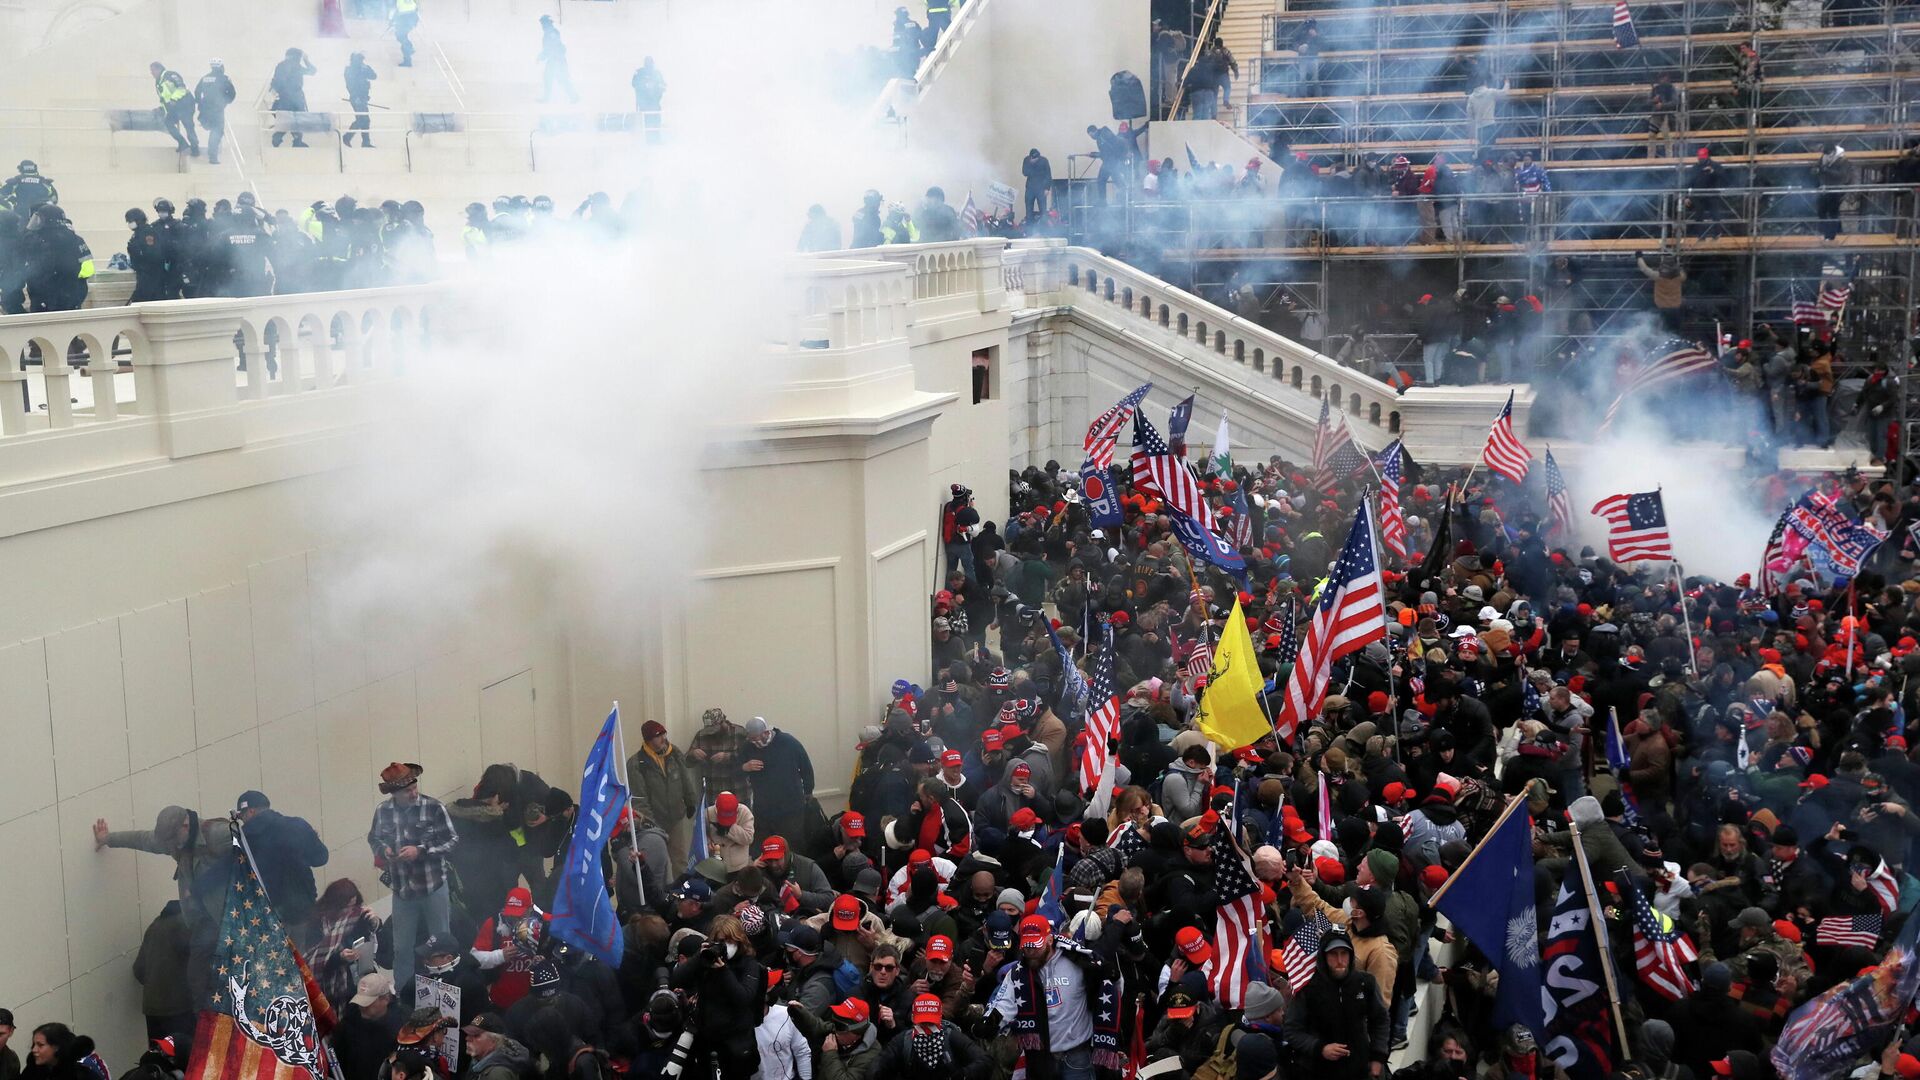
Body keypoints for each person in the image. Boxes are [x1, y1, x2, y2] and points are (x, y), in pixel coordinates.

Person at [367, 761, 459, 996]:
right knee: (402, 948)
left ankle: (446, 988)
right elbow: (374, 839)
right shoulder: (382, 811)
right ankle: (405, 994)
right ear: (394, 793)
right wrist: (384, 851)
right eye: (407, 791)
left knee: (441, 942)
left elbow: (452, 841)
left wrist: (421, 850)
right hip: (403, 892)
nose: (413, 792)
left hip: (433, 887)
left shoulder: (433, 807)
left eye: (414, 787)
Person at [234, 790, 329, 925]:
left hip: (268, 914)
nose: (241, 820)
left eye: (241, 816)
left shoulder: (243, 842)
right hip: (303, 906)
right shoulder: (297, 825)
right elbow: (321, 858)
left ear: (251, 812)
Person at [740, 715, 815, 842]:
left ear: (765, 733)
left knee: (793, 845)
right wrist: (744, 767)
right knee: (765, 845)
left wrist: (808, 791)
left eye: (755, 738)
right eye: (750, 739)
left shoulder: (788, 742)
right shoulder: (747, 747)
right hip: (763, 809)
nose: (753, 742)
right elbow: (734, 769)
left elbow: (806, 768)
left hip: (791, 808)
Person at [132, 900, 193, 1049]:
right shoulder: (184, 926)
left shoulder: (154, 926)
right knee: (183, 1058)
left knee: (159, 1059)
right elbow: (196, 967)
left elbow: (138, 969)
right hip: (178, 1008)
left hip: (152, 1008)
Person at [22, 204, 93, 312]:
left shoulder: (38, 240)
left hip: (45, 296)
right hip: (71, 295)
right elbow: (88, 270)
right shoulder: (76, 239)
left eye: (39, 219)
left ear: (48, 220)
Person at [269, 48, 317, 147]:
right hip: (294, 98)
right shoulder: (296, 66)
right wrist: (306, 60)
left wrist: (276, 90)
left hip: (286, 97)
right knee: (297, 119)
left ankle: (280, 138)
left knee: (289, 119)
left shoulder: (282, 65)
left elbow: (277, 81)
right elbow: (312, 71)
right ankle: (295, 140)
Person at [150, 62, 198, 156]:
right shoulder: (158, 82)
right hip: (174, 107)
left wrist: (173, 99)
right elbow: (164, 99)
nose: (151, 73)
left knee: (188, 126)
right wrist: (163, 109)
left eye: (152, 70)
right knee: (168, 122)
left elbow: (181, 88)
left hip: (185, 104)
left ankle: (195, 148)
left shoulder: (170, 75)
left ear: (158, 69)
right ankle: (183, 143)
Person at [462, 1015, 530, 1080]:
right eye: (468, 1034)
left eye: (476, 1035)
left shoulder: (497, 1074)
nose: (467, 1038)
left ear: (494, 1041)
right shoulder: (478, 1061)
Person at [193, 62, 235, 165]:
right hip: (217, 110)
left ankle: (213, 149)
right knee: (217, 131)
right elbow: (232, 93)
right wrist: (225, 102)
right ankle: (213, 156)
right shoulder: (224, 78)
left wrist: (200, 102)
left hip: (205, 110)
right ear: (221, 67)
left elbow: (197, 91)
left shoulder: (205, 78)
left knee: (213, 130)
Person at [537, 16, 580, 104]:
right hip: (555, 59)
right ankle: (574, 97)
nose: (542, 26)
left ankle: (574, 97)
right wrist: (542, 56)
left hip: (556, 60)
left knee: (557, 78)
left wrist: (542, 56)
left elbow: (552, 47)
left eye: (542, 24)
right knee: (553, 78)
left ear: (546, 23)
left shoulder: (551, 33)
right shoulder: (550, 32)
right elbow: (549, 48)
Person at [344, 53, 378, 147]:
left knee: (365, 120)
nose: (361, 62)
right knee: (362, 119)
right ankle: (348, 137)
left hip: (363, 98)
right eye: (359, 60)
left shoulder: (363, 69)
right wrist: (356, 97)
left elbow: (374, 76)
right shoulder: (349, 70)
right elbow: (350, 85)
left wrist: (367, 68)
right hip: (356, 98)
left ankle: (365, 142)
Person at [630, 57, 665, 140]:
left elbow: (662, 85)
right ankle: (647, 139)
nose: (650, 65)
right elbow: (634, 83)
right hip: (643, 103)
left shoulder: (657, 73)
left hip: (655, 103)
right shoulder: (639, 73)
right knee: (646, 122)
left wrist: (659, 89)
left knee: (656, 121)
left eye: (651, 63)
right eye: (648, 63)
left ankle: (656, 138)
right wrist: (644, 86)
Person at [1022, 149, 1052, 223]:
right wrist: (1030, 164)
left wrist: (1047, 188)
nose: (1033, 159)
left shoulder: (1044, 161)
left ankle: (1043, 229)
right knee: (1029, 210)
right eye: (1032, 158)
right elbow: (1024, 172)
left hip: (1041, 188)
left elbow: (1048, 175)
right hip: (1030, 188)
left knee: (1043, 210)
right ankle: (1029, 230)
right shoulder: (1026, 160)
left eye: (1035, 158)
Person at [391, 0, 419, 67]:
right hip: (412, 16)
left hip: (404, 17)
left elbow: (395, 10)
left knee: (401, 37)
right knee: (402, 36)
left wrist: (392, 20)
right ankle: (410, 48)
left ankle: (408, 59)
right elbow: (416, 7)